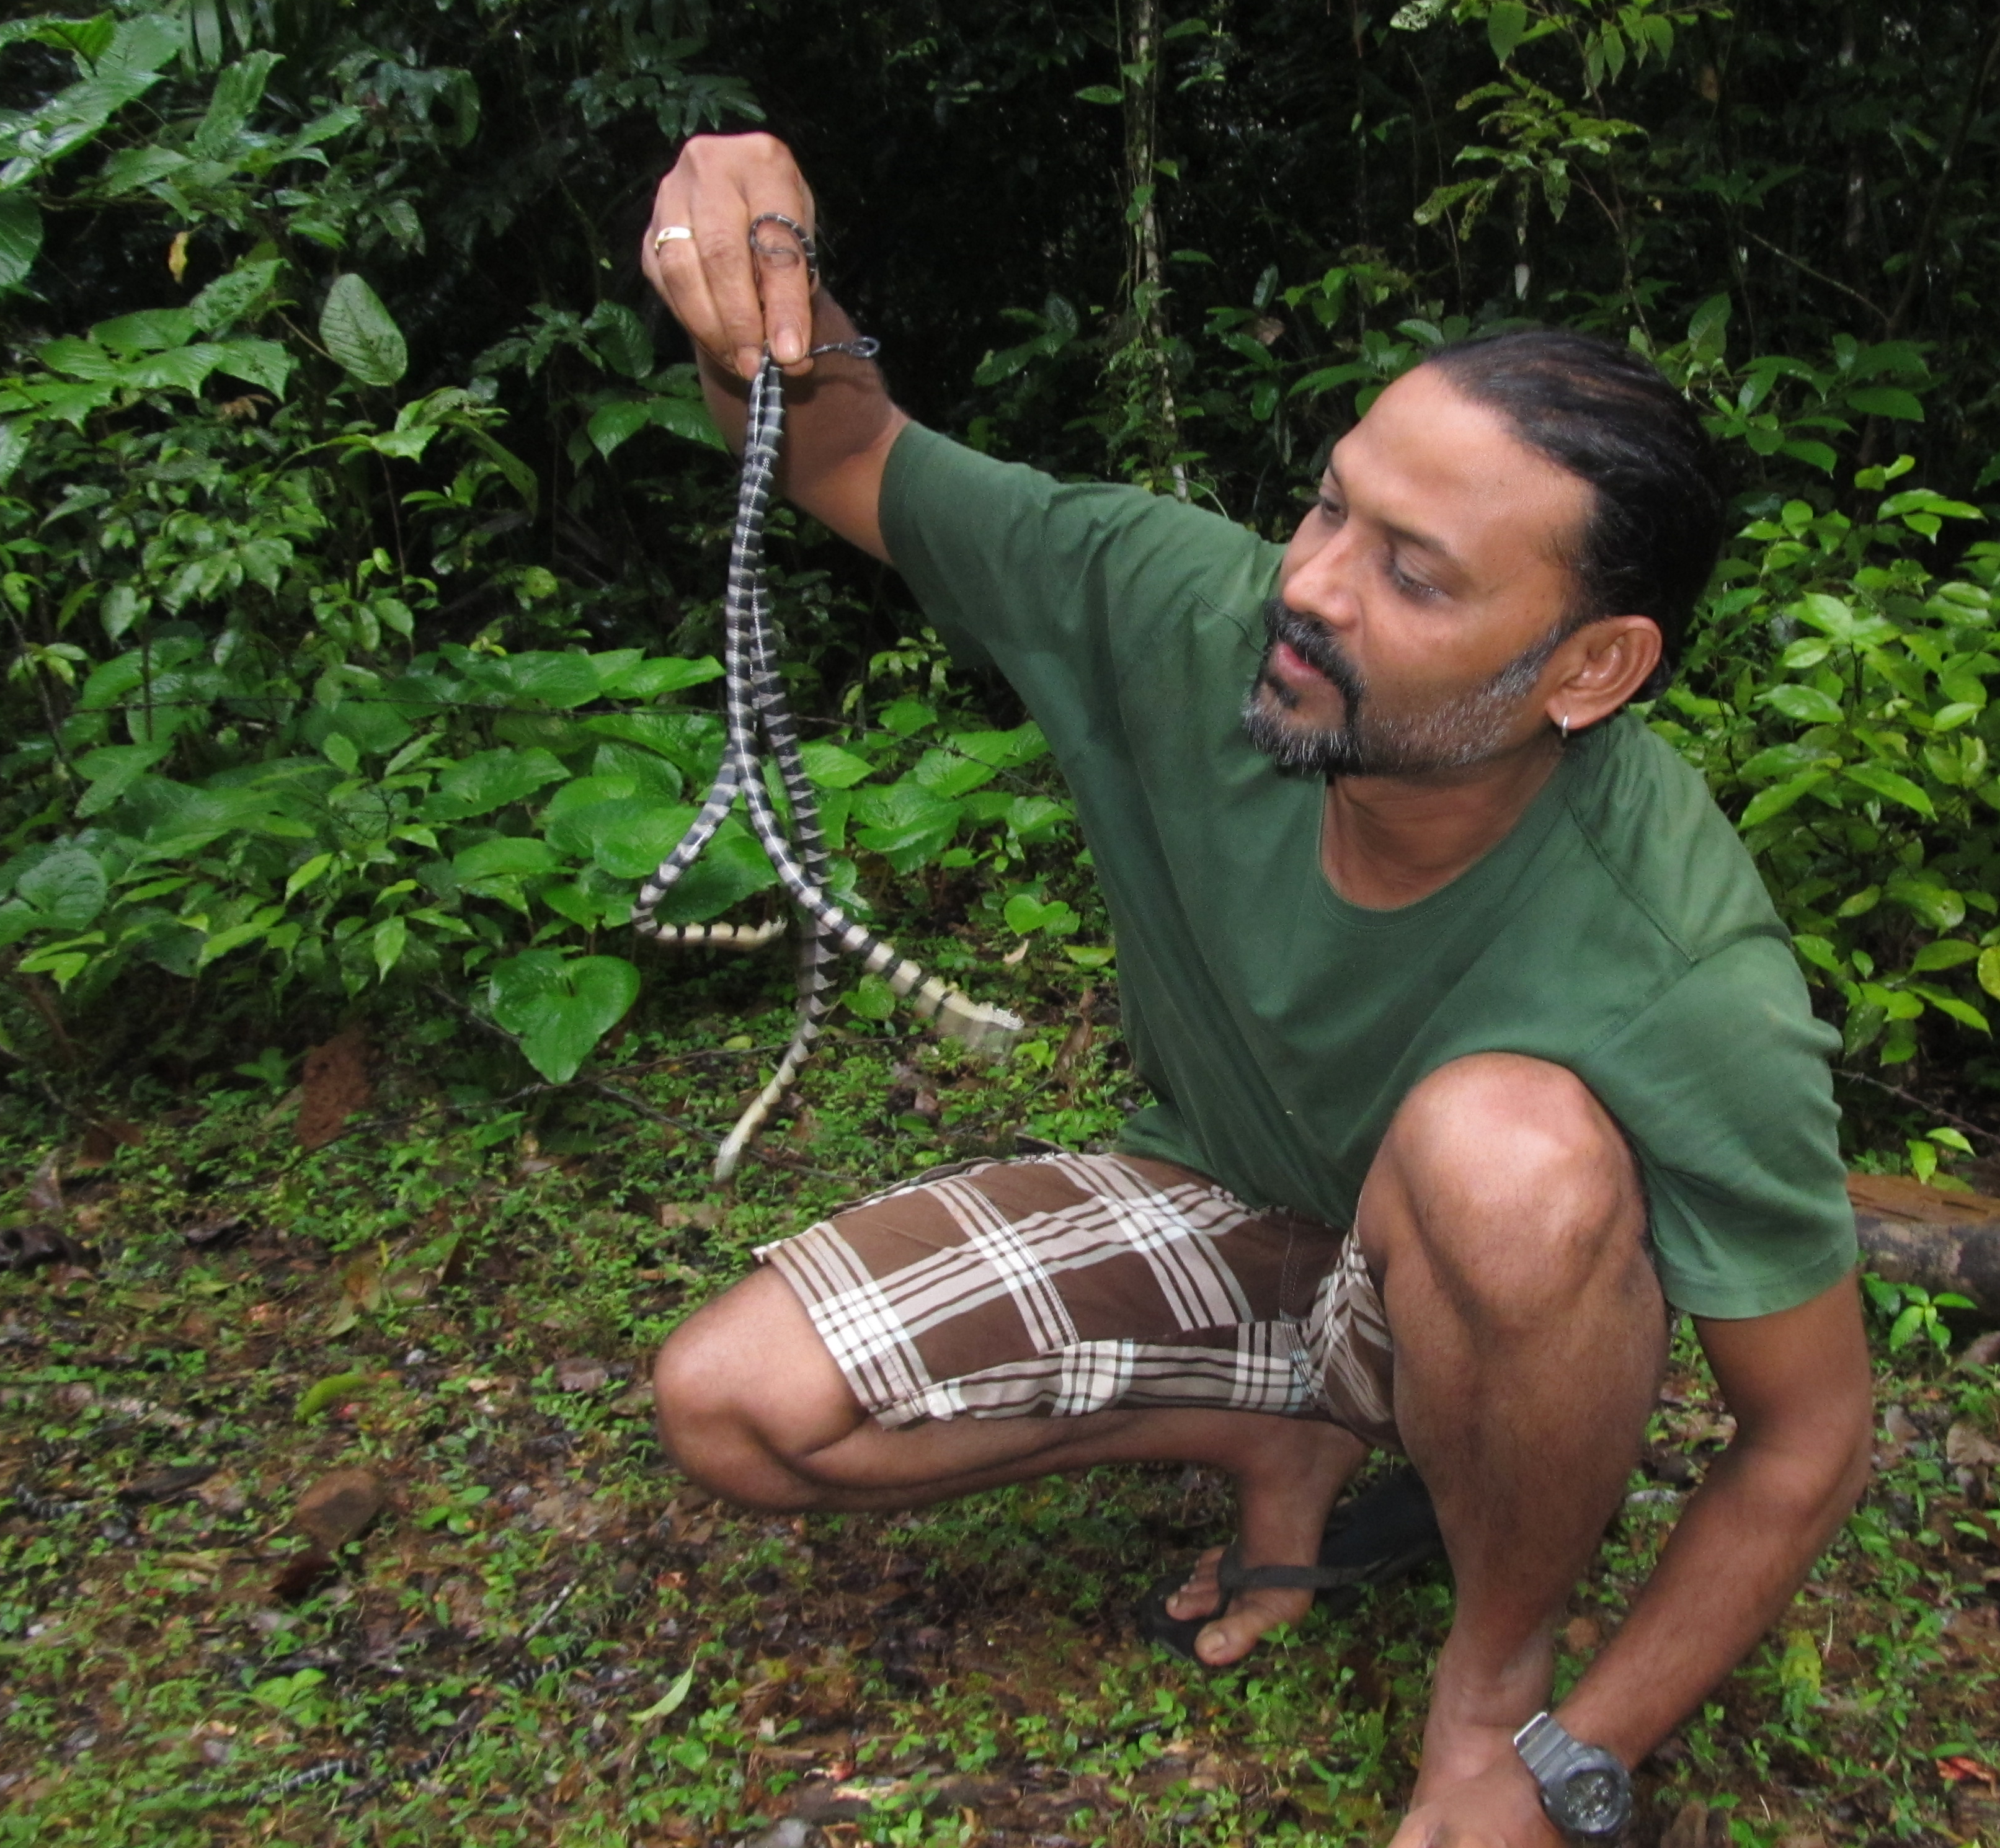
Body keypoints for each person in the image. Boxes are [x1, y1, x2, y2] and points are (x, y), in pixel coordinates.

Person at [644, 130, 1875, 1848]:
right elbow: (847, 451)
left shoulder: (1678, 965)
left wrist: (1570, 1756)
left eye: (1415, 572)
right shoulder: (1176, 604)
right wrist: (760, 279)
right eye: (1329, 504)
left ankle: (1487, 1674)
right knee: (734, 1405)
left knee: (1507, 1157)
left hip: (1484, 1298)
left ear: (1590, 669)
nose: (1307, 584)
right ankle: (1265, 1428)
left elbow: (1808, 1438)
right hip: (1227, 1206)